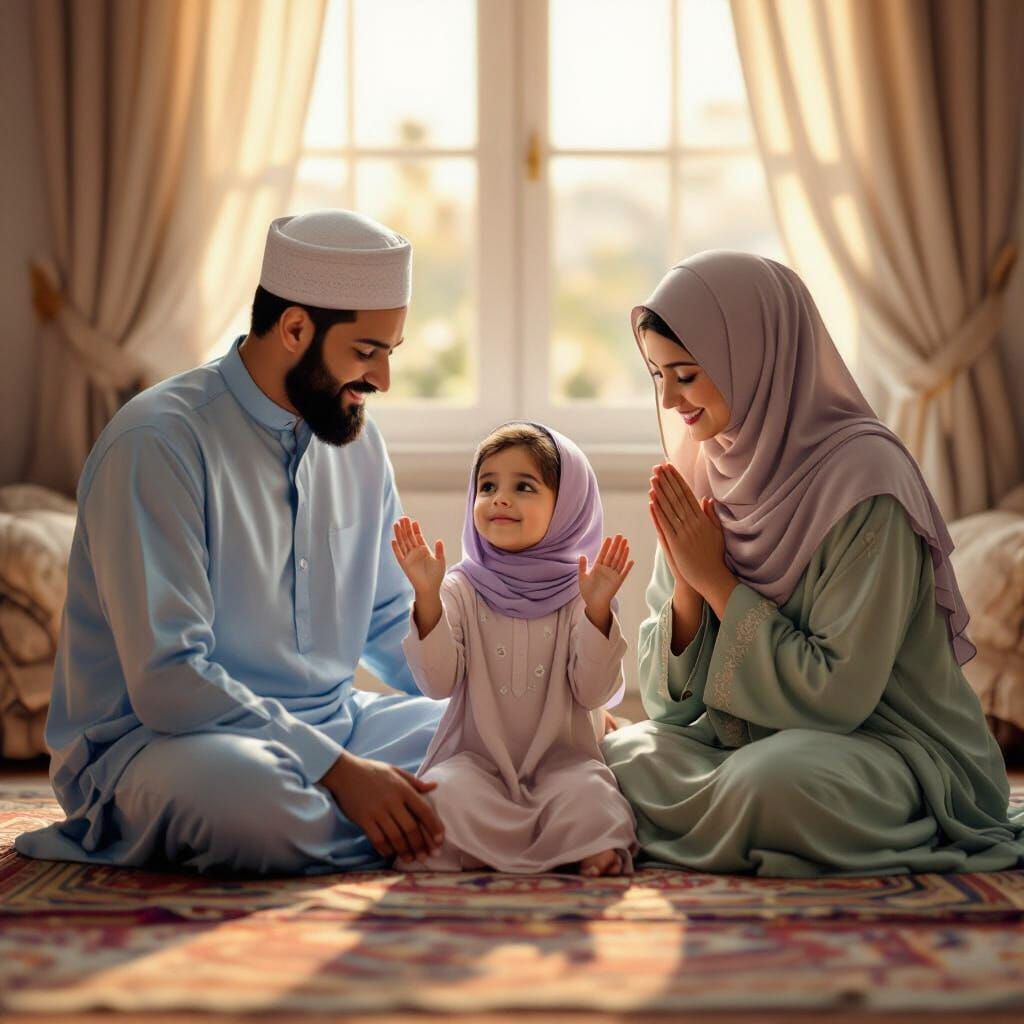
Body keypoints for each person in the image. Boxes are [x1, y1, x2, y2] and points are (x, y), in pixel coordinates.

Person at [16, 210, 448, 875]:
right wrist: (339, 773)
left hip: (339, 725)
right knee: (256, 807)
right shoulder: (158, 442)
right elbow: (169, 682)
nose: (383, 380)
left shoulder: (356, 439)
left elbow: (390, 624)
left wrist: (517, 707)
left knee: (493, 748)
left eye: (391, 352)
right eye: (367, 352)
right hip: (169, 744)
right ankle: (424, 826)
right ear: (296, 328)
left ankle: (389, 819)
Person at [601, 250, 1024, 876]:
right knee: (616, 756)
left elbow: (839, 695)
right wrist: (688, 589)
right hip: (741, 740)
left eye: (685, 375)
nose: (670, 399)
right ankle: (712, 819)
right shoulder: (706, 465)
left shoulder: (866, 482)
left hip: (887, 748)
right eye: (657, 375)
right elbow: (668, 711)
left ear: (753, 359)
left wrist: (717, 580)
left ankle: (686, 821)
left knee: (773, 787)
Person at [390, 423, 638, 875]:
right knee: (441, 793)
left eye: (524, 486)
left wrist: (598, 609)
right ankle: (508, 847)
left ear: (567, 507)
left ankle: (581, 849)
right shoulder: (460, 589)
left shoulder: (584, 592)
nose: (500, 498)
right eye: (487, 486)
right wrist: (427, 598)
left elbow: (592, 692)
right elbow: (437, 684)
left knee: (593, 797)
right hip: (475, 765)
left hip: (563, 764)